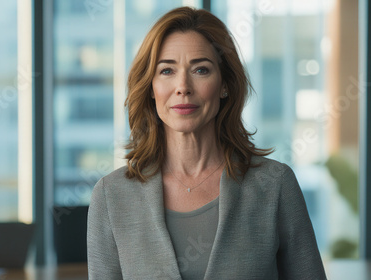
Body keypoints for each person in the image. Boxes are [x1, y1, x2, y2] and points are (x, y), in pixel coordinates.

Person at [87, 7, 326, 279]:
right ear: (151, 88)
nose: (183, 87)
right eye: (166, 71)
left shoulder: (275, 185)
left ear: (225, 85)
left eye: (201, 69)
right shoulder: (111, 196)